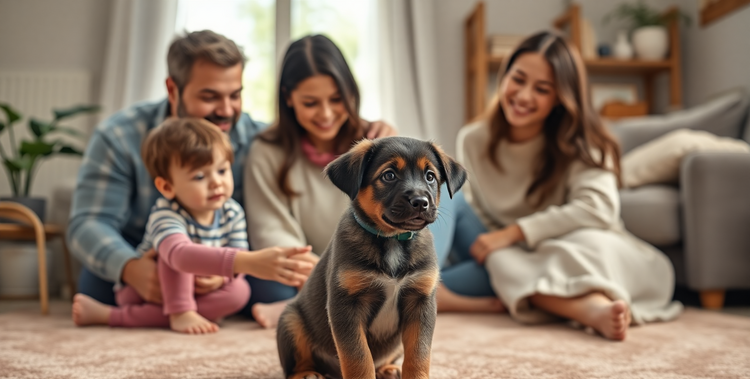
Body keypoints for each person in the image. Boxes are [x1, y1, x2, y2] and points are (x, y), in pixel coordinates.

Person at [67, 30, 393, 318]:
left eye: (234, 94)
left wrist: (378, 140)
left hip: (220, 259)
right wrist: (131, 269)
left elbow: (311, 136)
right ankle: (132, 310)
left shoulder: (254, 137)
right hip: (146, 253)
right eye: (209, 96)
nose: (225, 110)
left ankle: (171, 311)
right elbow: (88, 223)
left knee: (273, 291)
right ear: (173, 89)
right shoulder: (119, 137)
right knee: (96, 286)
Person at [244, 34, 504, 328]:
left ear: (351, 93)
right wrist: (326, 279)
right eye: (310, 102)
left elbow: (411, 201)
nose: (326, 113)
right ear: (288, 97)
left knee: (486, 251)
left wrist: (390, 141)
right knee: (264, 284)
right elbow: (271, 232)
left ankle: (428, 289)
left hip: (394, 254)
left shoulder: (377, 140)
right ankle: (417, 296)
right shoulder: (267, 151)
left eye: (336, 99)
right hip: (329, 266)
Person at [456, 31, 683, 341]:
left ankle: (588, 307)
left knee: (573, 248)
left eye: (542, 89)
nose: (523, 96)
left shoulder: (583, 142)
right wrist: (505, 242)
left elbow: (598, 208)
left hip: (578, 246)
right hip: (511, 257)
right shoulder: (473, 139)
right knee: (490, 251)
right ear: (504, 76)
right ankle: (587, 308)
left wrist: (516, 233)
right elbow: (476, 211)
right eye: (518, 79)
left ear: (562, 97)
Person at [72, 118, 313, 333]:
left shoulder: (232, 211)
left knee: (240, 292)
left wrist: (221, 280)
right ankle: (127, 315)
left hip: (202, 290)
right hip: (149, 289)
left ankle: (187, 312)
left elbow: (236, 254)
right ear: (167, 187)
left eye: (221, 170)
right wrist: (248, 262)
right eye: (200, 177)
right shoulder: (166, 214)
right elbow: (180, 256)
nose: (216, 183)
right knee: (171, 260)